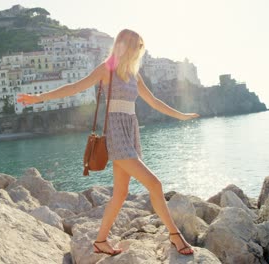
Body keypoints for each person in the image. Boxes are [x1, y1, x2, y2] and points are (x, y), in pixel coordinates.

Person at [17, 29, 199, 256]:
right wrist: (38, 98)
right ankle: (175, 235)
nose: (135, 52)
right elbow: (74, 88)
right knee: (155, 184)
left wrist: (180, 116)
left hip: (130, 129)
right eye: (133, 47)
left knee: (120, 194)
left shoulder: (135, 75)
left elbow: (153, 101)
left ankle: (100, 241)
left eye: (138, 48)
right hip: (116, 132)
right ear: (123, 45)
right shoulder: (106, 69)